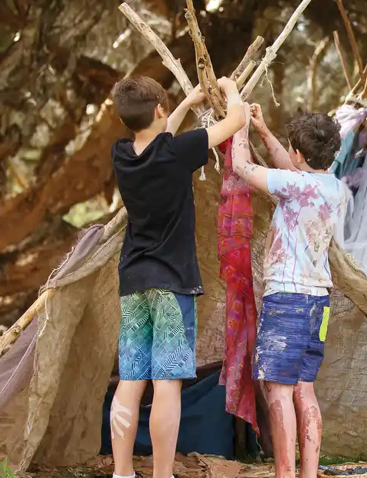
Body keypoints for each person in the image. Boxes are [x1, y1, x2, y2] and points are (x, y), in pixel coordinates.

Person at [109, 75, 246, 478]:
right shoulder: (180, 150)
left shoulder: (122, 154)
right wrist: (230, 88)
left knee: (131, 379)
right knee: (167, 383)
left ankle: (122, 472)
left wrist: (186, 101)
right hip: (171, 283)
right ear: (158, 110)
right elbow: (235, 119)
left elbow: (156, 138)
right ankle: (162, 473)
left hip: (133, 280)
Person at [229, 104, 344, 478]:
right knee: (304, 390)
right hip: (318, 305)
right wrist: (264, 130)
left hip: (287, 301)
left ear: (299, 153)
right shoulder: (332, 188)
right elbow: (292, 169)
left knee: (278, 391)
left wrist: (240, 126)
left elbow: (243, 168)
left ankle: (284, 474)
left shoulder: (295, 186)